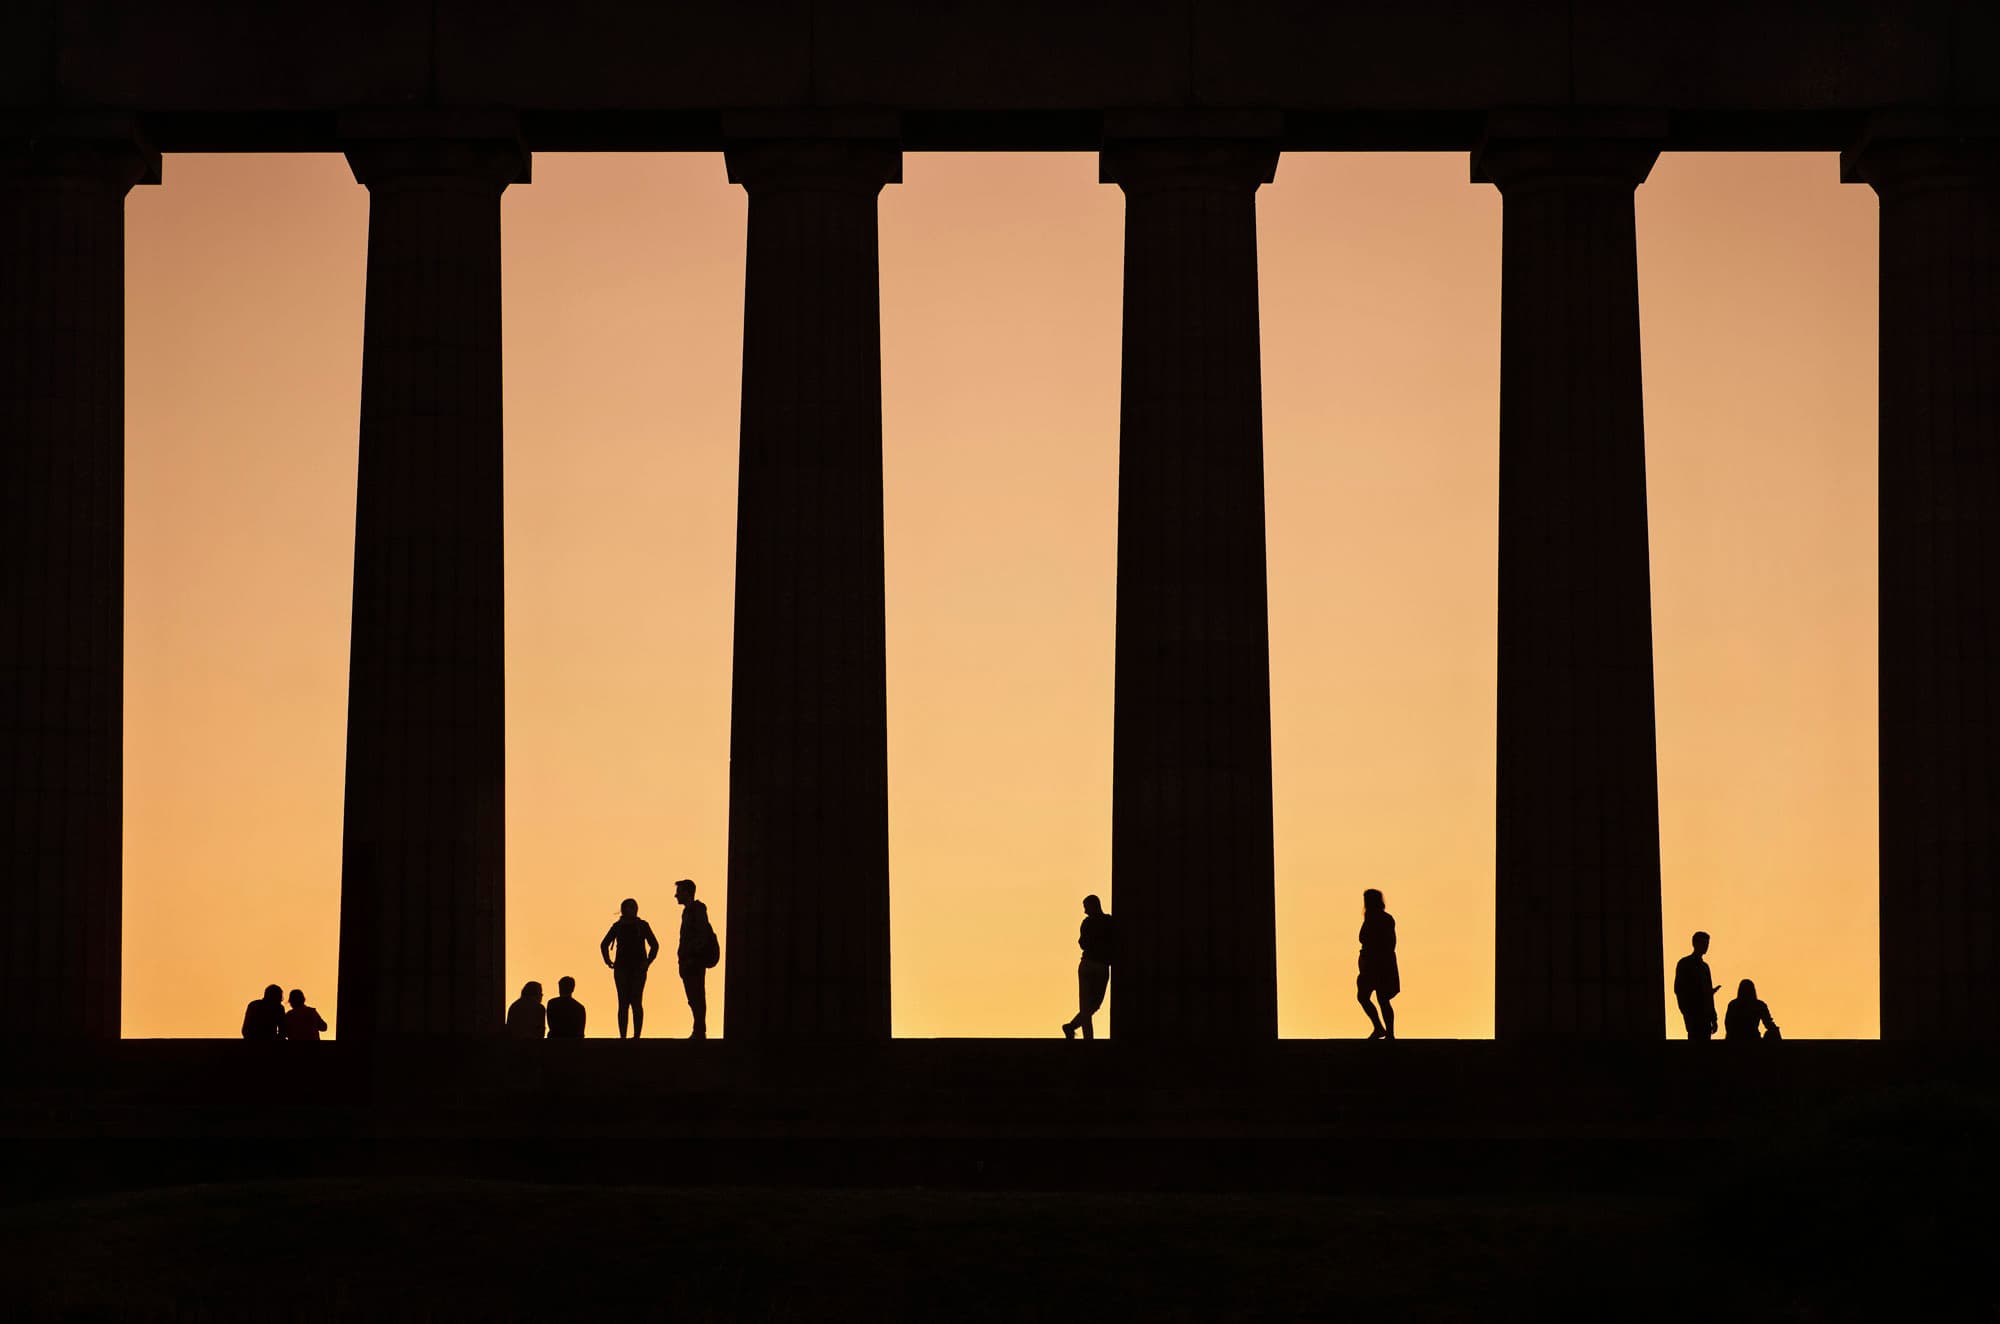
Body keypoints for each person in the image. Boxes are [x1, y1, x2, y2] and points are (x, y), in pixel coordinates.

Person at [600, 897, 660, 1038]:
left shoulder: (642, 925)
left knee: (636, 1002)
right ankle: (623, 1037)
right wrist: (607, 960)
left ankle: (637, 1036)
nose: (631, 910)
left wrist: (647, 962)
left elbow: (655, 945)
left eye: (633, 907)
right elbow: (604, 944)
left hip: (638, 969)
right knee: (623, 1003)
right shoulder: (617, 926)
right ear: (623, 910)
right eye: (629, 907)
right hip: (621, 968)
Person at [1061, 894, 1114, 1040]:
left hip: (1089, 965)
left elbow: (1082, 943)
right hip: (1100, 965)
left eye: (1086, 907)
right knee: (1092, 1005)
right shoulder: (1108, 922)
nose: (1085, 911)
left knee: (1087, 1006)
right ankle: (1085, 1037)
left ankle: (1074, 1029)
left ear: (1093, 905)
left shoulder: (1088, 923)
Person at [674, 879, 719, 1040]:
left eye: (679, 892)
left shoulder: (697, 909)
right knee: (693, 997)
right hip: (689, 961)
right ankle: (698, 1029)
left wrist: (693, 955)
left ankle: (699, 1030)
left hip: (693, 961)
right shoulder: (689, 911)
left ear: (687, 892)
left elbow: (702, 934)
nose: (676, 895)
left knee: (697, 995)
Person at [1357, 888, 1399, 1040]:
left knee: (1381, 999)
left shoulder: (1384, 919)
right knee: (1365, 997)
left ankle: (1388, 1032)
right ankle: (1380, 1028)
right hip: (1371, 964)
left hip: (1380, 965)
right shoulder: (1370, 918)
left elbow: (1389, 943)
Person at [1674, 931, 1721, 1041]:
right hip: (1693, 1014)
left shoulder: (1705, 967)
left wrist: (1713, 1018)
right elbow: (1679, 989)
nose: (1706, 946)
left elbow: (1708, 995)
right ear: (1695, 943)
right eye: (1703, 943)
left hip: (1705, 1016)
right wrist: (1686, 1012)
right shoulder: (1685, 964)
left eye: (1707, 943)